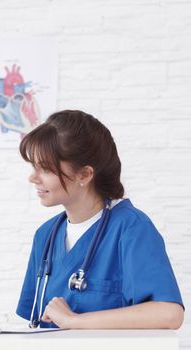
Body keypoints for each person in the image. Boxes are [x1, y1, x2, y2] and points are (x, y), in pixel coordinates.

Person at [16, 110, 184, 329]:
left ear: (85, 175)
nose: (32, 178)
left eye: (45, 168)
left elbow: (169, 314)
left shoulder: (131, 228)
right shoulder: (45, 235)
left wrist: (74, 321)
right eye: (33, 166)